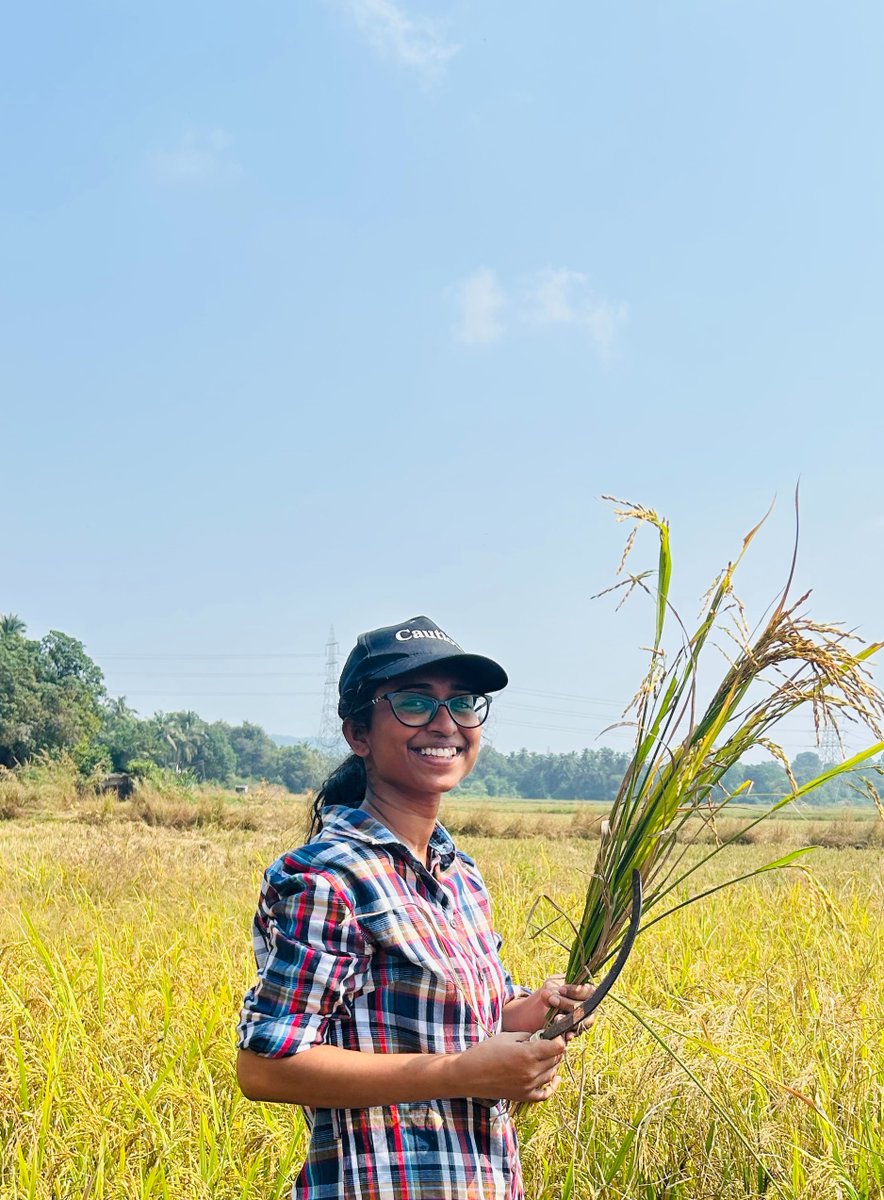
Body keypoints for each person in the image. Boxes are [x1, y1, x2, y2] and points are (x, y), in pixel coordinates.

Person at [236, 615, 593, 1200]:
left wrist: (533, 1011)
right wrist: (462, 1074)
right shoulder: (329, 877)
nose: (445, 724)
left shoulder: (459, 874)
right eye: (414, 702)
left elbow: (467, 1030)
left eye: (463, 703)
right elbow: (266, 1067)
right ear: (358, 734)